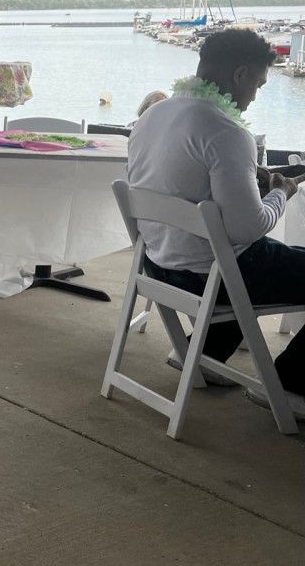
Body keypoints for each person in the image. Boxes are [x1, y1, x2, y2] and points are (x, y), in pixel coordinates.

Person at [127, 28, 305, 414]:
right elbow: (248, 228)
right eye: (257, 84)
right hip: (215, 277)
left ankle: (200, 352)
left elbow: (187, 179)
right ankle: (291, 385)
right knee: (259, 255)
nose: (255, 95)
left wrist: (245, 175)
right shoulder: (227, 131)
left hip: (158, 266)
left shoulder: (152, 115)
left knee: (283, 257)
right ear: (240, 74)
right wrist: (281, 193)